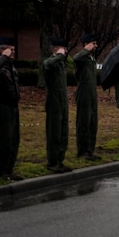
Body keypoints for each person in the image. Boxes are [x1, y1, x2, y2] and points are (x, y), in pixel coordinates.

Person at [0, 38, 22, 181]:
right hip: (2, 107)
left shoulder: (10, 66)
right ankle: (2, 171)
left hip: (13, 106)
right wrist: (4, 56)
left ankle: (9, 169)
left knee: (14, 139)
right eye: (11, 49)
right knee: (4, 139)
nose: (13, 52)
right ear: (3, 50)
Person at [43, 37, 72, 173]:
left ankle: (60, 160)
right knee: (54, 131)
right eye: (63, 49)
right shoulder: (50, 62)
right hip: (54, 99)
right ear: (56, 49)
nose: (65, 52)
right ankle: (52, 162)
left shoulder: (60, 64)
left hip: (62, 99)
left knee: (63, 131)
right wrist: (59, 55)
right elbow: (48, 64)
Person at [73, 33, 101, 160]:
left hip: (92, 93)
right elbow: (76, 58)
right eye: (94, 44)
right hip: (83, 92)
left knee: (92, 122)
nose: (96, 46)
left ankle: (90, 150)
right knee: (83, 121)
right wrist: (85, 50)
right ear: (86, 44)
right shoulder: (82, 58)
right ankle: (82, 151)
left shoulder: (91, 59)